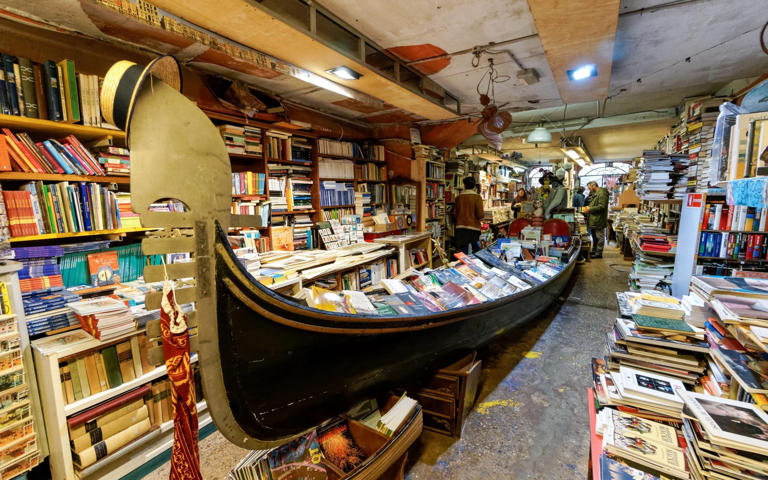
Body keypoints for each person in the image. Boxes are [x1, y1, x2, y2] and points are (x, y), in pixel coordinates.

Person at [454, 176, 484, 254]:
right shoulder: (477, 197)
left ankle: (464, 265)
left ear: (464, 185)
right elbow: (480, 215)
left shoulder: (458, 198)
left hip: (460, 228)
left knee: (463, 252)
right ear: (474, 186)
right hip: (474, 228)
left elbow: (455, 214)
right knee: (477, 251)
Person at [584, 180, 609, 258]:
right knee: (594, 236)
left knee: (599, 237)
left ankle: (598, 253)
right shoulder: (596, 193)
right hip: (594, 219)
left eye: (590, 188)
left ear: (594, 185)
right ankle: (594, 251)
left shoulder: (602, 193)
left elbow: (602, 206)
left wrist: (590, 209)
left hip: (599, 219)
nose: (589, 190)